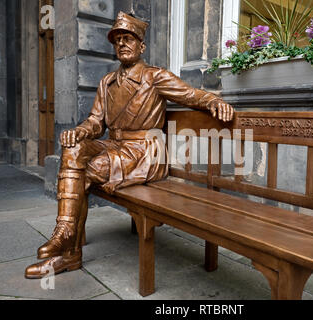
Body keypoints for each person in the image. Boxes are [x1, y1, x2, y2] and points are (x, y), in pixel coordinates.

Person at [25, 11, 234, 278]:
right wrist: (79, 131)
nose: (122, 44)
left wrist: (214, 101)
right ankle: (64, 232)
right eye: (117, 40)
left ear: (141, 45)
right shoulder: (107, 82)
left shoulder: (155, 76)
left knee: (85, 173)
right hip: (115, 145)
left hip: (145, 152)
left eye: (128, 38)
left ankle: (69, 253)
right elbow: (95, 122)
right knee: (74, 150)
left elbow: (190, 94)